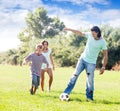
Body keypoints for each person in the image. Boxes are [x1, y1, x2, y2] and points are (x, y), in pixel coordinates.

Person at [61, 26, 108, 101]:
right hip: (82, 59)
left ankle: (89, 98)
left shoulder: (102, 42)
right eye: (91, 33)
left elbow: (105, 56)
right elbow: (79, 32)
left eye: (93, 34)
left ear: (97, 33)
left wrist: (103, 67)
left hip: (91, 63)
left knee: (90, 80)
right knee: (74, 75)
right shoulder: (89, 35)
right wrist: (69, 29)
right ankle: (66, 93)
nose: (92, 35)